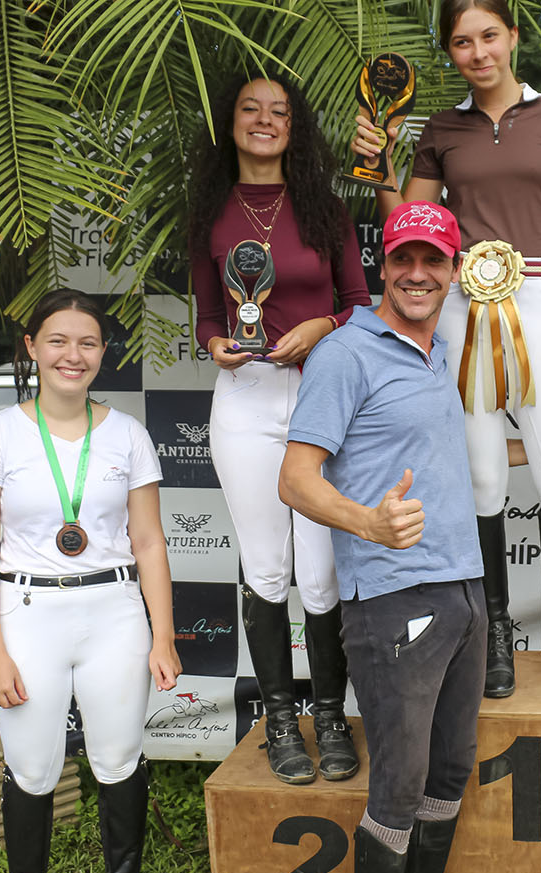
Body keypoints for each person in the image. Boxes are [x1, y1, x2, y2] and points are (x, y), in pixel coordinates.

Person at [351, 0, 541, 699]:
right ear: (450, 51)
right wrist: (379, 166)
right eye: (463, 42)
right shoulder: (441, 129)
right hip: (461, 310)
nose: (478, 52)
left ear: (513, 37)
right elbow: (409, 226)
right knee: (482, 480)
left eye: (489, 36)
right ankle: (494, 633)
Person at [279, 202, 498, 873]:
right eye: (403, 257)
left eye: (433, 260)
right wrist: (368, 523)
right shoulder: (346, 353)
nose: (417, 273)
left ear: (454, 270)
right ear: (384, 264)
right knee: (399, 784)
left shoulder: (437, 349)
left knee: (449, 771)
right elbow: (295, 479)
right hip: (391, 596)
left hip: (463, 588)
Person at [0, 289, 181, 873]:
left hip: (114, 611)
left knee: (117, 760)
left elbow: (149, 542)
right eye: (58, 340)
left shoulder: (128, 434)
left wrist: (163, 636)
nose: (72, 355)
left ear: (103, 353)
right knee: (32, 768)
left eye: (87, 342)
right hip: (27, 613)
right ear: (32, 347)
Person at [190, 72, 371, 785]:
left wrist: (322, 326)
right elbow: (208, 315)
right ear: (231, 122)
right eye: (250, 109)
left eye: (279, 112)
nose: (264, 120)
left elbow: (358, 303)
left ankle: (331, 716)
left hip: (323, 395)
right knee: (266, 568)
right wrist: (214, 345)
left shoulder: (325, 207)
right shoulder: (210, 212)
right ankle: (280, 721)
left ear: (295, 129)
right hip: (245, 398)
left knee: (322, 574)